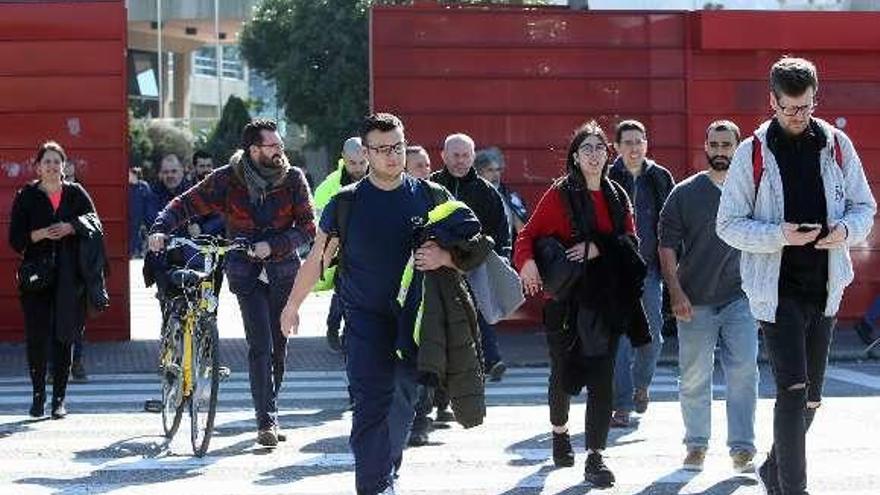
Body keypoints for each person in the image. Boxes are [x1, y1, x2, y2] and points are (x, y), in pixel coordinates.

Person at [281, 113, 475, 495]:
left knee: (403, 401)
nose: (392, 156)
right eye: (382, 149)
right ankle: (375, 485)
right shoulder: (346, 203)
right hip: (364, 320)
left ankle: (385, 473)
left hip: (416, 321)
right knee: (370, 404)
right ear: (366, 153)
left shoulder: (432, 196)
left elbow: (473, 248)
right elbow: (317, 258)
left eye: (398, 147)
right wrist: (292, 305)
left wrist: (446, 258)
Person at [716, 57, 876, 494]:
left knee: (810, 399)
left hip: (824, 287)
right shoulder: (752, 153)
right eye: (788, 108)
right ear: (772, 101)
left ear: (815, 99)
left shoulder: (837, 145)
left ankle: (773, 468)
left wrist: (844, 230)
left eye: (804, 107)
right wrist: (778, 236)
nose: (797, 116)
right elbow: (727, 224)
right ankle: (793, 488)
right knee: (791, 390)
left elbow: (865, 208)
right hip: (775, 288)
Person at [148, 119, 316, 447]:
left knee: (278, 350)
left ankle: (272, 408)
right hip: (245, 273)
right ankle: (265, 422)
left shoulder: (293, 178)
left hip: (283, 273)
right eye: (273, 147)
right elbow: (183, 203)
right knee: (260, 346)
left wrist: (275, 245)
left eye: (280, 146)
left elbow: (309, 227)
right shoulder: (229, 178)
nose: (280, 152)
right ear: (254, 150)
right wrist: (160, 228)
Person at [515, 121, 650, 488]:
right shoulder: (560, 194)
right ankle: (559, 432)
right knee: (562, 374)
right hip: (566, 301)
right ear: (575, 156)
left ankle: (595, 456)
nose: (593, 155)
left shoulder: (618, 195)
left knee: (602, 378)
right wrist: (526, 263)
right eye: (586, 148)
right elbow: (527, 235)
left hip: (605, 301)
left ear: (609, 155)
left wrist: (598, 246)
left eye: (599, 148)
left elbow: (632, 246)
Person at [658, 120, 759, 473]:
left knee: (744, 371)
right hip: (694, 299)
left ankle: (743, 447)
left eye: (726, 145)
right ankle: (696, 444)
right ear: (705, 146)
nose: (719, 152)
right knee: (694, 376)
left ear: (738, 147)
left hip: (741, 298)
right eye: (714, 145)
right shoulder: (685, 193)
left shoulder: (753, 191)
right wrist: (675, 292)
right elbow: (666, 245)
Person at [9, 141, 108, 419]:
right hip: (36, 276)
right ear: (38, 167)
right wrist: (39, 235)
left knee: (65, 336)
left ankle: (59, 401)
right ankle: (38, 397)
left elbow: (95, 223)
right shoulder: (27, 195)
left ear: (64, 166)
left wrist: (70, 226)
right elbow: (15, 240)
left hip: (69, 275)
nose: (52, 166)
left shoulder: (75, 193)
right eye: (47, 162)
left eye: (57, 161)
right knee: (37, 338)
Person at [608, 119, 675, 427]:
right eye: (628, 142)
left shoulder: (660, 177)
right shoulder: (607, 176)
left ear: (646, 144)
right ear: (618, 147)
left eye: (639, 142)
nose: (634, 148)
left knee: (652, 339)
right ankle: (621, 404)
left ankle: (641, 385)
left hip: (650, 271)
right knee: (619, 339)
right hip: (615, 274)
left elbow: (674, 224)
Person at [431, 133, 510, 382]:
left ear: (473, 157)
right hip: (437, 271)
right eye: (455, 155)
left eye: (465, 155)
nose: (460, 161)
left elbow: (502, 232)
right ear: (443, 156)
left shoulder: (487, 193)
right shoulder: (429, 188)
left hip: (476, 268)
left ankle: (484, 364)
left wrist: (503, 262)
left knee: (475, 319)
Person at [313, 137, 370, 352]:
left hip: (367, 247)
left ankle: (350, 335)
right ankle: (333, 326)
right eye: (352, 163)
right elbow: (320, 223)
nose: (357, 168)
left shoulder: (378, 178)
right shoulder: (330, 186)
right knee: (341, 291)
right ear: (343, 159)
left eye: (361, 163)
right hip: (339, 248)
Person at [475, 147, 529, 247]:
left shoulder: (511, 198)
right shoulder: (470, 195)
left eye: (498, 169)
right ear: (479, 172)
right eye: (490, 170)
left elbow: (522, 230)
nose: (495, 174)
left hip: (508, 251)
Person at [128, 167, 154, 257]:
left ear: (135, 175)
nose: (128, 176)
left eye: (130, 174)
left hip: (143, 214)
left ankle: (141, 251)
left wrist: (149, 216)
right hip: (131, 214)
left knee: (142, 234)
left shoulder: (143, 186)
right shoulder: (128, 187)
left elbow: (149, 200)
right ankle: (133, 252)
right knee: (133, 233)